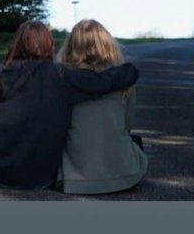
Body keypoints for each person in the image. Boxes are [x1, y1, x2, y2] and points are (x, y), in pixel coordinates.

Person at [0, 20, 139, 190]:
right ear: (49, 45)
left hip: (0, 172)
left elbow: (0, 124)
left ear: (16, 45)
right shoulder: (60, 75)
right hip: (41, 177)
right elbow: (101, 82)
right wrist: (129, 71)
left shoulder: (4, 75)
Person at [56, 19, 148, 194]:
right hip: (124, 175)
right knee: (135, 143)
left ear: (71, 46)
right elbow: (127, 126)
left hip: (73, 178)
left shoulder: (61, 80)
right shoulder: (125, 79)